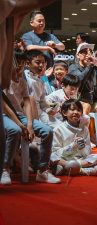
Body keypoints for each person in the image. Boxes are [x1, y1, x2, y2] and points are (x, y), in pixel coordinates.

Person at [1, 50, 61, 185]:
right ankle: (5, 169)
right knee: (14, 130)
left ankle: (42, 171)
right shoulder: (3, 80)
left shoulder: (22, 80)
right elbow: (5, 106)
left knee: (47, 131)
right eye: (17, 63)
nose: (19, 66)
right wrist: (21, 125)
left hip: (20, 116)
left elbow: (27, 102)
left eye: (22, 63)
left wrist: (29, 124)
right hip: (4, 116)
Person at [51, 99, 97, 176]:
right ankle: (84, 170)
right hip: (64, 160)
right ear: (64, 113)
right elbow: (55, 153)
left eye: (78, 110)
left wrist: (83, 147)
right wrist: (72, 147)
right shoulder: (58, 130)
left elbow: (87, 153)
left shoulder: (84, 129)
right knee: (51, 157)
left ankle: (72, 168)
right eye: (72, 109)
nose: (76, 112)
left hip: (80, 160)